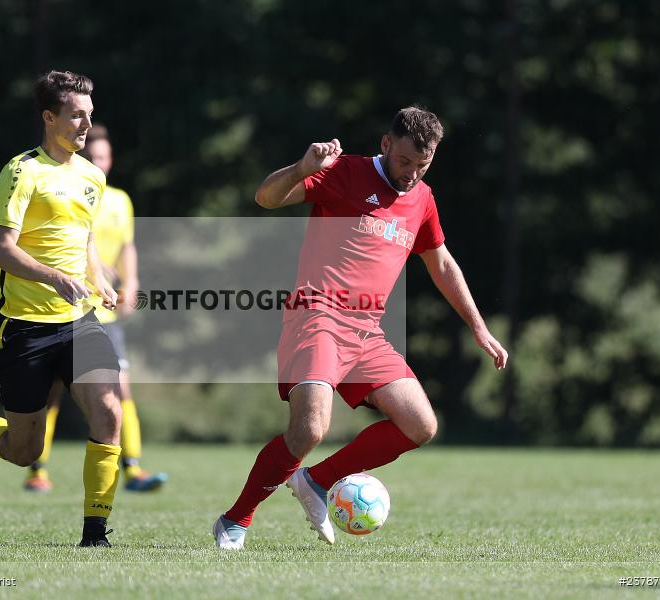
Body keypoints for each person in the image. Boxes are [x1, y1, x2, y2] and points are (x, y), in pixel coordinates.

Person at [213, 106, 508, 549]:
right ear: (386, 144)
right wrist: (302, 168)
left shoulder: (423, 199)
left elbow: (442, 264)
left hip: (366, 330)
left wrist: (479, 328)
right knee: (310, 429)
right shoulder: (343, 173)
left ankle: (317, 481)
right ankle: (236, 521)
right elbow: (266, 198)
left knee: (420, 424)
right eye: (405, 161)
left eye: (422, 166)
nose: (410, 174)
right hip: (317, 315)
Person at [0, 70, 123, 548]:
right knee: (24, 450)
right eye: (76, 116)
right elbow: (1, 249)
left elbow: (83, 240)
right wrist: (53, 277)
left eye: (89, 116)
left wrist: (97, 277)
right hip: (25, 329)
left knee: (108, 413)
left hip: (80, 322)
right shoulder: (22, 172)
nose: (86, 125)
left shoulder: (92, 176)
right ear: (49, 117)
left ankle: (95, 535)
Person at [23, 124, 168, 493]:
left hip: (105, 313)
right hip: (65, 306)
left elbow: (127, 246)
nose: (99, 163)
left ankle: (132, 469)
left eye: (104, 157)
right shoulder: (66, 191)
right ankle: (37, 470)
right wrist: (95, 269)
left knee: (121, 389)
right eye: (93, 157)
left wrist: (131, 283)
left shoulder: (120, 199)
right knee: (51, 392)